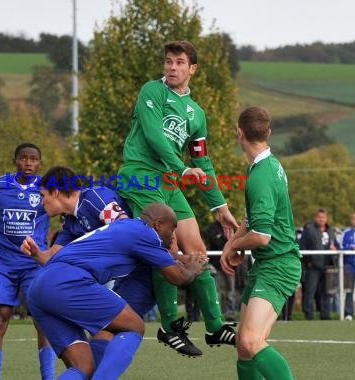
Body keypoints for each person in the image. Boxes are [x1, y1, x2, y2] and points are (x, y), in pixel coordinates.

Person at [116, 40, 239, 357]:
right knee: (165, 247)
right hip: (141, 176)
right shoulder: (152, 92)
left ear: (192, 69)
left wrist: (220, 206)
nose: (172, 67)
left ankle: (215, 327)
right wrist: (181, 168)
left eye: (179, 62)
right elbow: (155, 136)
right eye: (168, 61)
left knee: (197, 252)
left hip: (171, 182)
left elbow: (203, 162)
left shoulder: (197, 114)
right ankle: (169, 326)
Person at [22, 202, 207, 379]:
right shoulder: (146, 233)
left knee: (84, 367)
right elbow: (177, 278)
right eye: (172, 228)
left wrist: (184, 260)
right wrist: (194, 266)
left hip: (39, 287)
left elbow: (166, 257)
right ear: (158, 224)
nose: (174, 236)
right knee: (134, 325)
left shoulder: (128, 227)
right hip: (67, 280)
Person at [33, 165, 157, 365]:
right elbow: (53, 258)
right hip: (122, 277)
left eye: (43, 194)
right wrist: (35, 253)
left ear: (55, 192)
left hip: (141, 273)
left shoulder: (95, 198)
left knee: (119, 328)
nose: (41, 201)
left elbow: (128, 230)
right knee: (105, 332)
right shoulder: (71, 220)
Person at [221, 106, 301, 380]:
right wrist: (234, 241)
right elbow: (253, 219)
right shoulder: (269, 165)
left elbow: (263, 236)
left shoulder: (261, 175)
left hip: (278, 265)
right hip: (269, 264)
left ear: (239, 133)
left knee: (251, 341)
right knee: (244, 346)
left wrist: (233, 246)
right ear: (268, 133)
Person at [0, 143, 56, 380]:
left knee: (43, 320)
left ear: (40, 163)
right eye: (23, 158)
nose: (28, 163)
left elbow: (68, 213)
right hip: (2, 262)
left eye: (33, 159)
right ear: (15, 161)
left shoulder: (46, 189)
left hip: (34, 264)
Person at [300, 209, 339, 320]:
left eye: (323, 217)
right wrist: (309, 262)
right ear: (315, 218)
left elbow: (337, 246)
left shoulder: (331, 230)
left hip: (328, 266)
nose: (321, 219)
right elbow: (302, 247)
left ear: (326, 218)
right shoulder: (308, 229)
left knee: (327, 292)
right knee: (310, 292)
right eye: (319, 217)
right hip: (313, 267)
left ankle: (325, 315)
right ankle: (309, 315)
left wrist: (335, 249)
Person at [205, 217, 239, 321]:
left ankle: (230, 315)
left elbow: (234, 242)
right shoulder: (212, 228)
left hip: (230, 265)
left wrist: (222, 238)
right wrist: (226, 239)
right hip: (216, 266)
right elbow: (215, 242)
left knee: (231, 292)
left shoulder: (231, 226)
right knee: (216, 292)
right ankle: (217, 314)